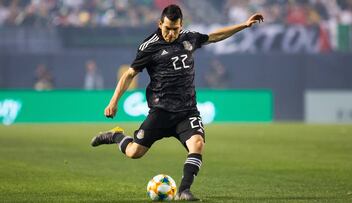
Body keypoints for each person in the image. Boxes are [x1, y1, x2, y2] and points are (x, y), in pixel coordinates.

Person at [91, 4, 263, 201]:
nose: (171, 33)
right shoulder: (149, 46)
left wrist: (244, 25)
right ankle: (116, 136)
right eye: (167, 29)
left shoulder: (189, 37)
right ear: (160, 24)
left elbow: (215, 36)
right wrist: (113, 102)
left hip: (187, 111)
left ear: (181, 26)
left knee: (197, 144)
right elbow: (129, 74)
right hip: (161, 112)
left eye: (175, 29)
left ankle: (183, 190)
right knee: (134, 152)